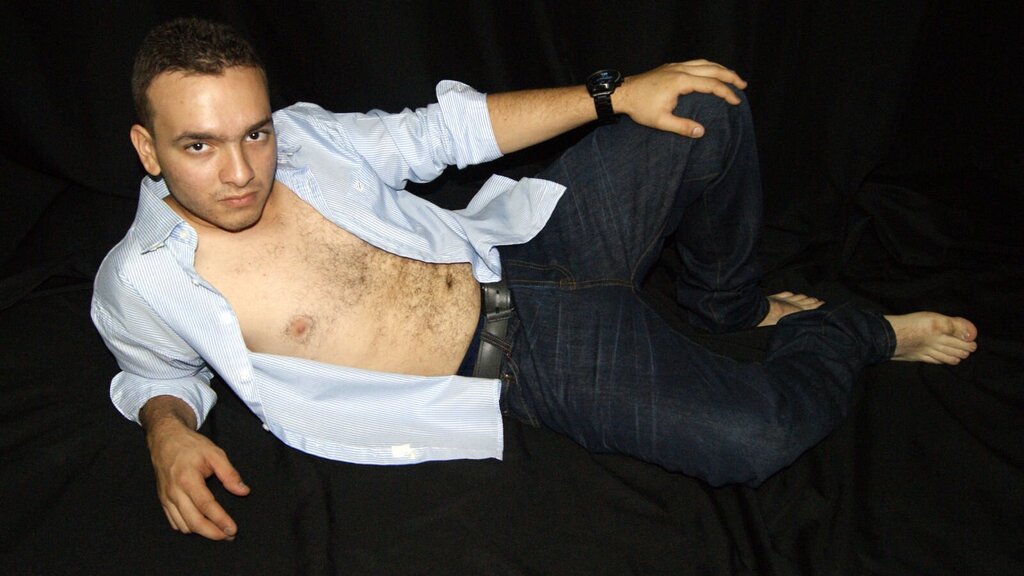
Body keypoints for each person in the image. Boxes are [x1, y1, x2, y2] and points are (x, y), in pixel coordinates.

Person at [92, 17, 978, 542]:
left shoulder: (306, 137)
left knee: (701, 103)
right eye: (199, 145)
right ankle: (854, 333)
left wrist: (614, 94)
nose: (242, 170)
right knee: (756, 439)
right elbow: (155, 375)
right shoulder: (144, 280)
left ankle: (729, 306)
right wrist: (166, 433)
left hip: (526, 248)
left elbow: (442, 133)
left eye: (253, 132)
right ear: (147, 148)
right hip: (524, 363)